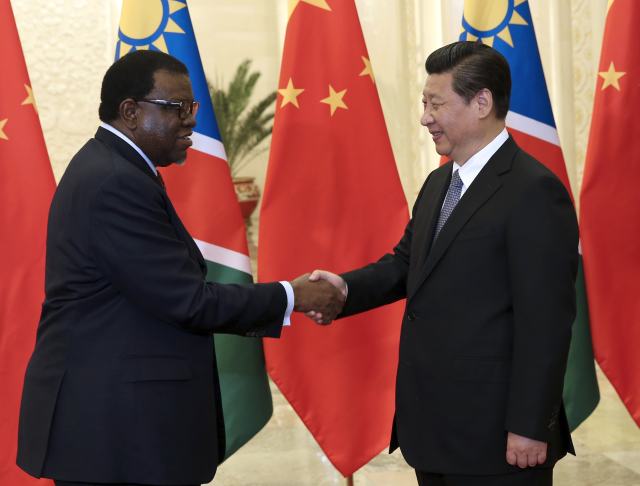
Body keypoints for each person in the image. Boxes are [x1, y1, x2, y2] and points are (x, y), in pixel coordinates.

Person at [16, 50, 343, 486]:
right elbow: (188, 301)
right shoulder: (114, 181)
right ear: (130, 112)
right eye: (176, 108)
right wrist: (292, 295)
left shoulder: (118, 168)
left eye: (191, 107)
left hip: (122, 429)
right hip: (114, 435)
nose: (190, 121)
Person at [308, 41, 577, 486]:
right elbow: (406, 264)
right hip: (433, 427)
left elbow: (546, 323)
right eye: (424, 104)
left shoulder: (533, 191)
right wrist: (344, 288)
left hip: (498, 438)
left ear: (482, 103)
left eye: (436, 104)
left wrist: (530, 424)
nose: (425, 118)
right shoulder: (439, 182)